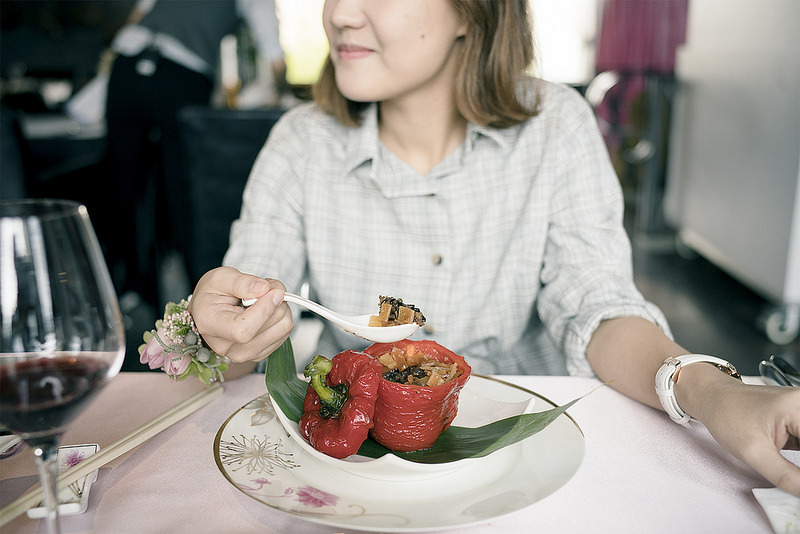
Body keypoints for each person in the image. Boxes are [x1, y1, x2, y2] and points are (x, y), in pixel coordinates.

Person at [187, 0, 800, 497]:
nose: (341, 13)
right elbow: (249, 325)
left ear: (470, 12)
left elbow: (598, 305)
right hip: (364, 478)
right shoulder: (300, 142)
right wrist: (225, 327)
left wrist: (713, 392)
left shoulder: (555, 125)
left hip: (530, 462)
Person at [104, 0, 285, 309]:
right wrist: (280, 89)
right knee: (185, 190)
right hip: (181, 75)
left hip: (125, 65)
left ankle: (126, 290)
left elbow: (139, 14)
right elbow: (273, 52)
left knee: (122, 184)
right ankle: (199, 300)